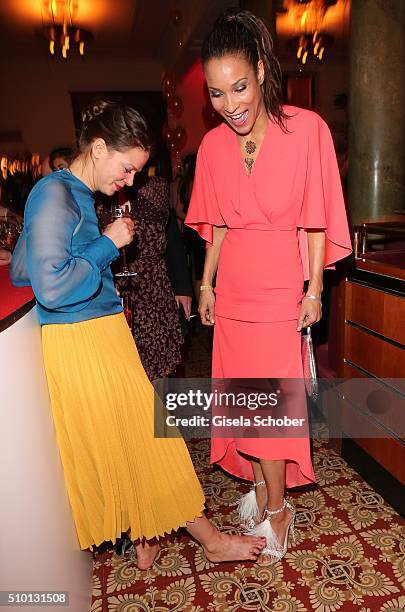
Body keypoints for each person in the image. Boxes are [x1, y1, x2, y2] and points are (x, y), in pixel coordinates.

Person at [10, 99, 265, 570]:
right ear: (100, 147)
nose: (129, 182)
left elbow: (23, 267)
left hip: (98, 334)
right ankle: (208, 540)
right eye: (127, 169)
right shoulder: (55, 193)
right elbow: (48, 284)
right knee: (152, 439)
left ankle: (147, 528)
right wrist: (109, 244)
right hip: (83, 342)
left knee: (129, 440)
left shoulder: (73, 195)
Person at [185, 10, 352, 564]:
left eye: (239, 87)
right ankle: (262, 491)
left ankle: (280, 510)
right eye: (216, 93)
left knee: (270, 414)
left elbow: (317, 222)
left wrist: (315, 291)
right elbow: (220, 226)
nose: (230, 104)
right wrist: (205, 284)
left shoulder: (306, 130)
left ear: (260, 70)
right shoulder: (210, 148)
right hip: (232, 295)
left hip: (282, 294)